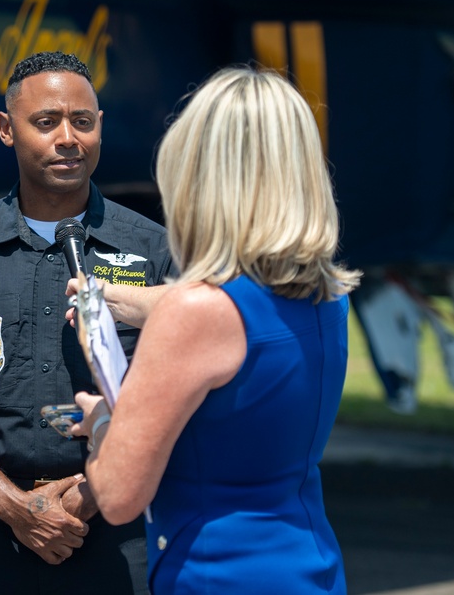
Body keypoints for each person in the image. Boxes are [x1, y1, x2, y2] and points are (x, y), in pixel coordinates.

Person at [70, 66, 361, 595]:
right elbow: (235, 316)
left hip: (217, 576)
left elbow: (117, 496)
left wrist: (104, 420)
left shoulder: (195, 315)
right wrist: (116, 298)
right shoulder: (326, 294)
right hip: (309, 568)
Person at [0, 51, 173, 594]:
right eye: (46, 122)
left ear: (100, 127)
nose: (68, 138)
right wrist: (14, 507)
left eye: (82, 121)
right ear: (7, 129)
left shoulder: (156, 252)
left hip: (118, 527)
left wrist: (89, 495)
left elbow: (177, 397)